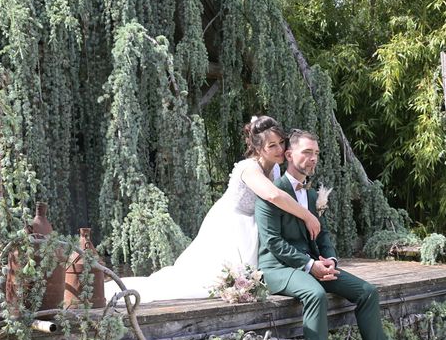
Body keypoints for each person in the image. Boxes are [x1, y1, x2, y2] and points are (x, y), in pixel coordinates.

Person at [255, 129, 419, 340]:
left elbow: (323, 234)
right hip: (277, 267)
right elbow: (273, 243)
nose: (313, 158)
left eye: (316, 153)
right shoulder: (271, 192)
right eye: (307, 152)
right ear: (290, 154)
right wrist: (310, 266)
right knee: (315, 295)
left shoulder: (311, 192)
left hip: (312, 264)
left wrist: (329, 260)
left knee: (367, 292)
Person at [105, 116, 321, 303]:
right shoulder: (249, 167)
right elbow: (273, 196)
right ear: (257, 148)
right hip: (231, 224)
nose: (280, 150)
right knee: (209, 281)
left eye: (281, 143)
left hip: (254, 225)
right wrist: (308, 216)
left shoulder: (274, 167)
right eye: (272, 146)